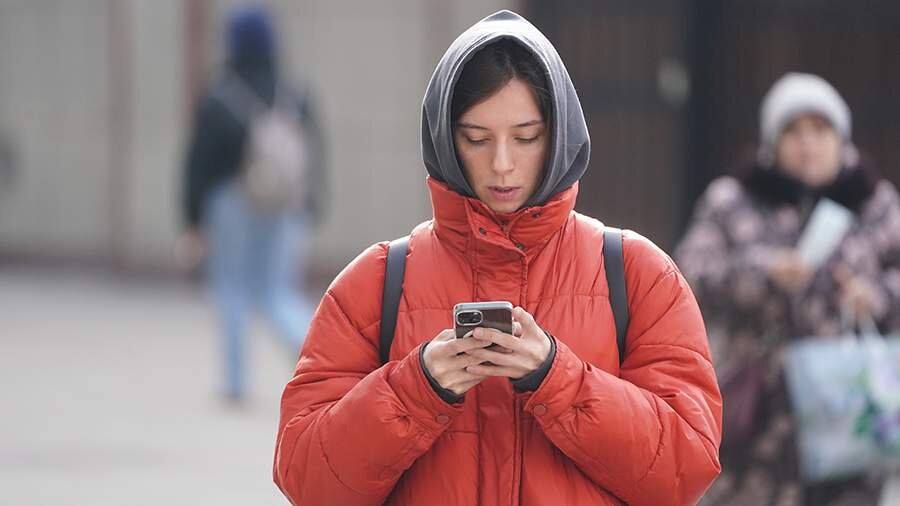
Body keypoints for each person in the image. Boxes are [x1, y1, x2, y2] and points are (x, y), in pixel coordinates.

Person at [275, 10, 721, 505]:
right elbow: (307, 480)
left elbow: (687, 467)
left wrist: (557, 377)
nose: (502, 163)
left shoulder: (638, 274)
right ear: (446, 139)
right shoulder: (376, 282)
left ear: (558, 135)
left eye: (526, 137)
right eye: (477, 139)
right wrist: (415, 389)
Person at [675, 73, 900, 505]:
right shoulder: (733, 200)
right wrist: (762, 273)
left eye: (820, 129)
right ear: (772, 140)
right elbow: (688, 275)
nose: (808, 143)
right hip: (758, 412)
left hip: (848, 410)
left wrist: (875, 295)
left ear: (842, 138)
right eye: (793, 130)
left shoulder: (875, 203)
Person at [181, 6, 326, 402]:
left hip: (231, 204)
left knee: (231, 288)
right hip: (287, 204)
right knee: (278, 290)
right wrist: (312, 203)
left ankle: (235, 383)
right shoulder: (293, 91)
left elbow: (198, 164)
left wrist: (192, 220)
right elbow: (313, 151)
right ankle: (320, 358)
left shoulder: (220, 94)